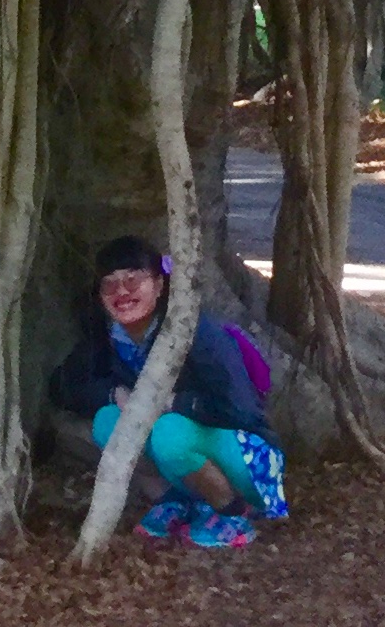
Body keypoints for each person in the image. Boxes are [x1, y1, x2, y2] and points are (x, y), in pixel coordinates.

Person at [47, 234, 288, 549]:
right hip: (183, 450)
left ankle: (231, 512)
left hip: (249, 460)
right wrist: (114, 394)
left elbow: (241, 410)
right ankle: (179, 500)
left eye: (133, 281)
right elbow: (64, 387)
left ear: (159, 285)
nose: (122, 292)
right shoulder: (109, 336)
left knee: (168, 432)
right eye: (110, 285)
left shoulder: (197, 333)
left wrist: (173, 403)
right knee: (108, 421)